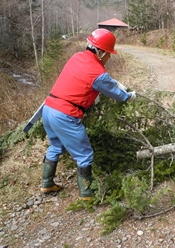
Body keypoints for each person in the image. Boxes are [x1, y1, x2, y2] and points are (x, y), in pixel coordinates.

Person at [41, 28, 136, 200]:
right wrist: (128, 96)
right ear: (100, 52)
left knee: (55, 146)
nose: (108, 58)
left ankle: (47, 183)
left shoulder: (76, 57)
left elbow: (85, 79)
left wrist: (113, 82)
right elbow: (116, 94)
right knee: (84, 154)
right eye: (108, 54)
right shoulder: (97, 72)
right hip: (65, 115)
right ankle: (86, 192)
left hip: (48, 109)